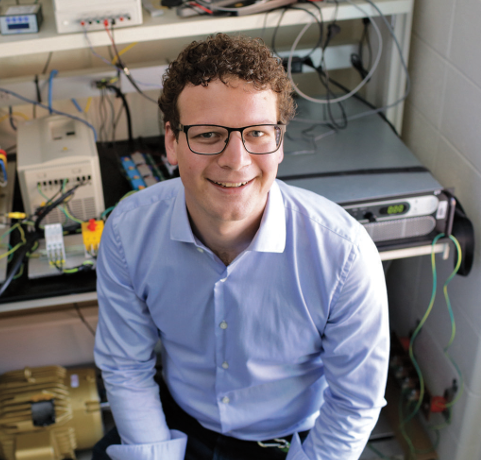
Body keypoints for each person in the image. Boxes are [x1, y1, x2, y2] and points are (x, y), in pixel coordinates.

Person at [93, 33, 389, 460]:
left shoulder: (343, 255)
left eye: (257, 133)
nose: (236, 159)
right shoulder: (129, 231)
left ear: (279, 141)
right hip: (178, 421)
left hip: (293, 442)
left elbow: (355, 402)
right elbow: (126, 367)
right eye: (210, 134)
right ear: (172, 142)